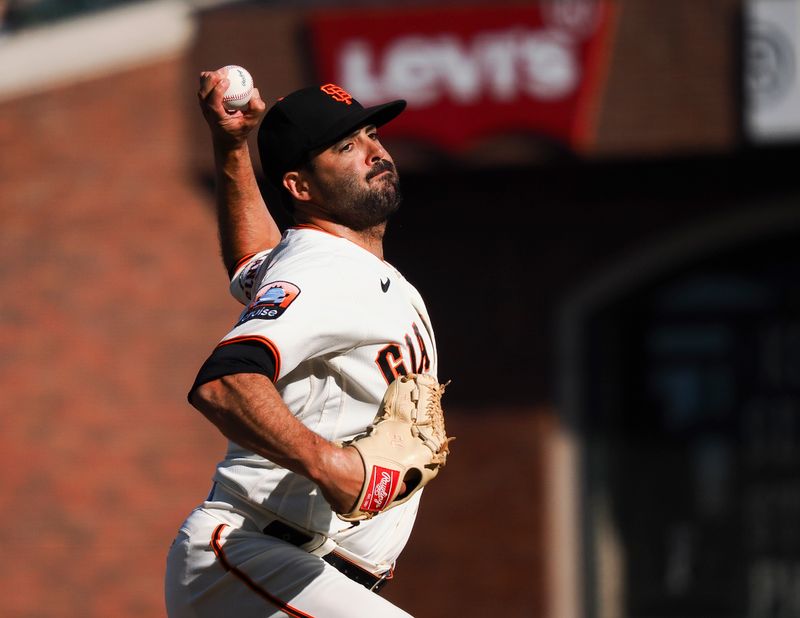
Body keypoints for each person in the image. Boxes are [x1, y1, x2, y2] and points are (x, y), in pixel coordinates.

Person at [164, 69, 440, 617]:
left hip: (293, 575)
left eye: (372, 136)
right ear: (300, 187)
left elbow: (253, 261)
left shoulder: (316, 264)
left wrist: (232, 146)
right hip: (257, 558)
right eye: (346, 145)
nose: (374, 151)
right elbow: (227, 381)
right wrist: (329, 463)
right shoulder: (329, 273)